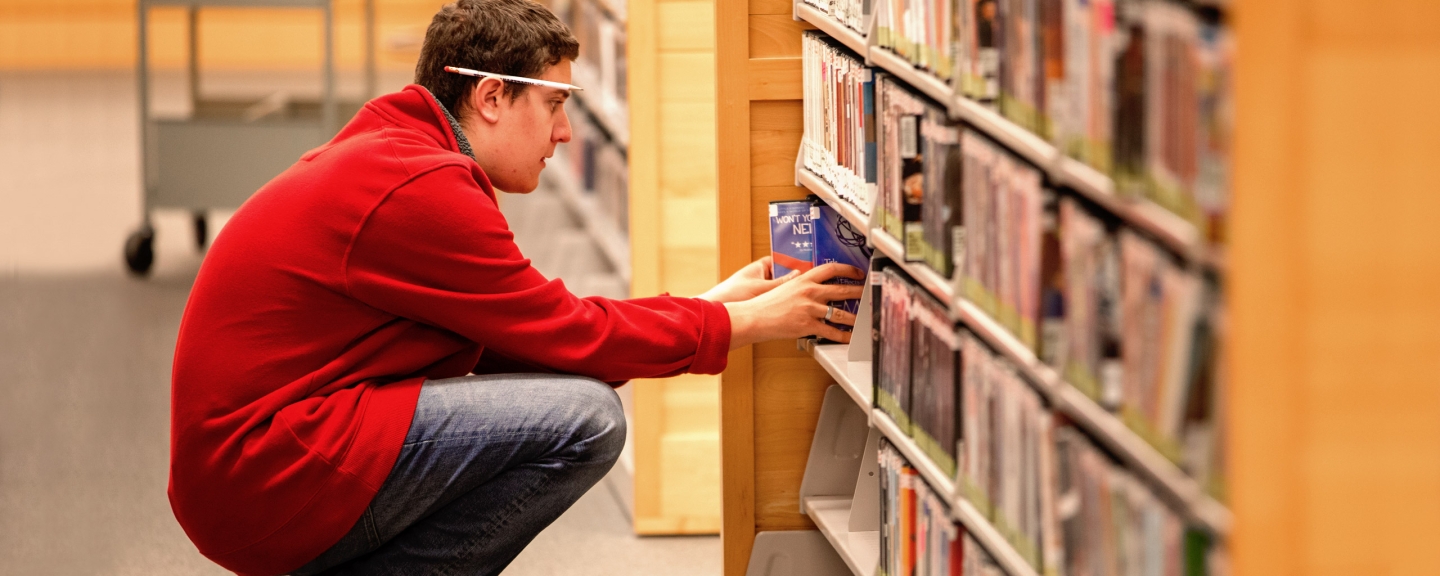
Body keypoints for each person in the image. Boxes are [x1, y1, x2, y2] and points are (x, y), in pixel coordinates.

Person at [166, 0, 863, 574]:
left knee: (567, 398)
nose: (564, 132)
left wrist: (709, 306)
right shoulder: (420, 189)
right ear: (490, 95)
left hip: (264, 455)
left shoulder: (401, 151)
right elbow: (569, 334)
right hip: (263, 469)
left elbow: (535, 334)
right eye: (554, 103)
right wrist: (745, 325)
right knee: (584, 421)